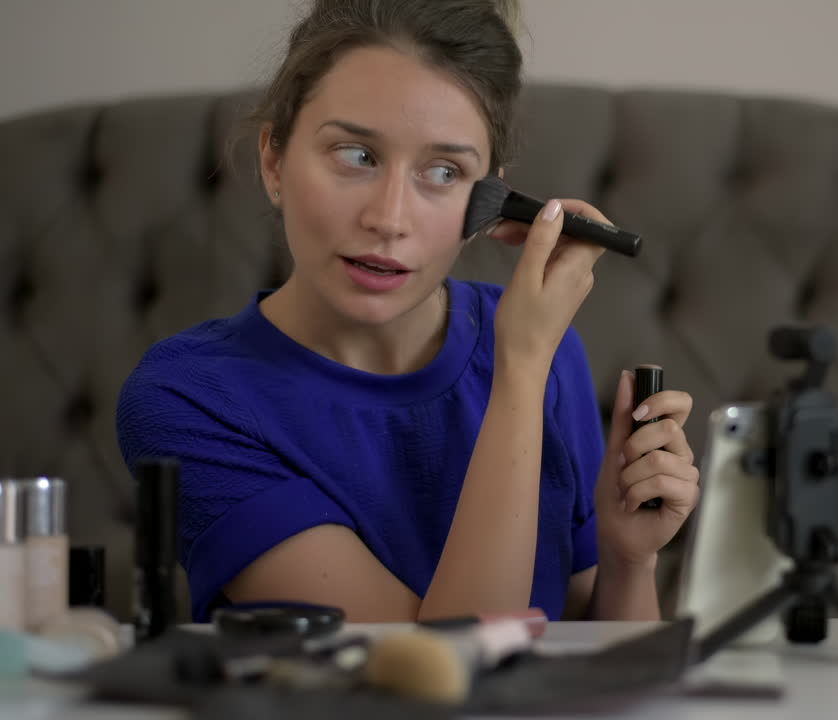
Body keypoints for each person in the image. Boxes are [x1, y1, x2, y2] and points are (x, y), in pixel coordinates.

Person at [115, 0, 700, 623]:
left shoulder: (547, 351)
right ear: (274, 161)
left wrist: (628, 559)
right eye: (357, 156)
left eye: (444, 172)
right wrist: (521, 368)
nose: (389, 219)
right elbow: (441, 676)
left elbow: (594, 664)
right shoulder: (186, 398)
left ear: (488, 200)